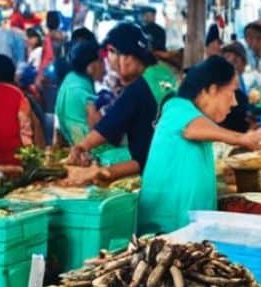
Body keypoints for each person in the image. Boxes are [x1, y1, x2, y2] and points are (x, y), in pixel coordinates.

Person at [139, 56, 261, 234]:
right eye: (231, 92)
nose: (234, 102)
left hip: (190, 233)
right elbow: (191, 129)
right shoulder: (176, 107)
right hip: (166, 233)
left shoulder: (197, 118)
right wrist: (240, 138)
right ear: (211, 89)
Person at [67, 24, 179, 180]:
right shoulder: (164, 73)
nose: (109, 62)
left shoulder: (139, 89)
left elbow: (111, 124)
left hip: (161, 178)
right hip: (179, 164)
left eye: (111, 52)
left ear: (128, 57)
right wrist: (83, 147)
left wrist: (82, 149)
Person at [218, 43, 254, 132]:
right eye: (226, 59)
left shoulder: (245, 85)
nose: (230, 64)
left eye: (235, 61)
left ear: (243, 64)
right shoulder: (217, 89)